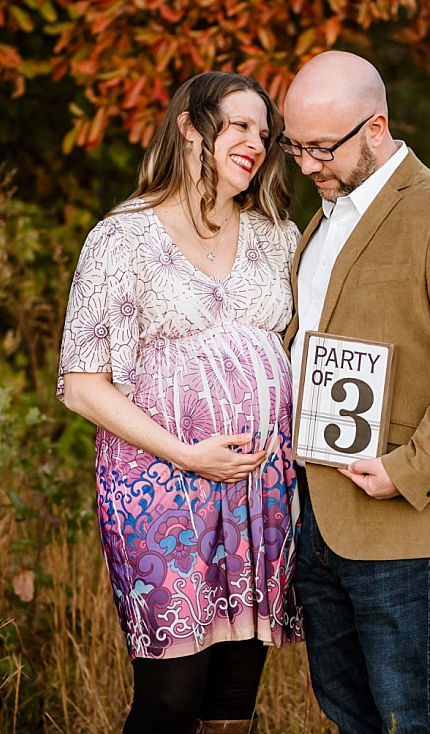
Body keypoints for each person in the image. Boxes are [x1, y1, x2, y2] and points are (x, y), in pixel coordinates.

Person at [280, 51, 430, 733]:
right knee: (347, 713)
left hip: (404, 518)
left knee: (417, 717)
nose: (306, 165)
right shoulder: (323, 219)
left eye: (322, 147)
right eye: (295, 147)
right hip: (316, 511)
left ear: (376, 126)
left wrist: (407, 469)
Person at [57, 71, 303, 734]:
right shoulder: (123, 239)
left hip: (259, 495)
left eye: (264, 132)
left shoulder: (276, 235)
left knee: (233, 699)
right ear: (191, 126)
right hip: (159, 489)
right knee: (170, 696)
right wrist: (189, 454)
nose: (257, 141)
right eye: (241, 125)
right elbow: (83, 386)